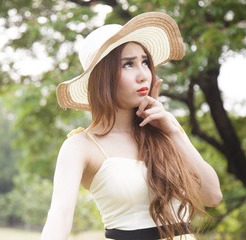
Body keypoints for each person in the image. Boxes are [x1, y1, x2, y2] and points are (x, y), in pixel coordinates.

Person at [40, 12, 222, 240]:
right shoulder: (81, 146)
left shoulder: (167, 131)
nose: (143, 75)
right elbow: (60, 216)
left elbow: (212, 196)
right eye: (128, 65)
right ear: (103, 78)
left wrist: (173, 131)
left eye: (145, 62)